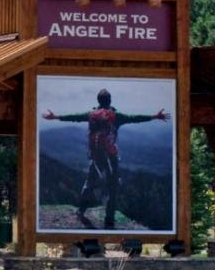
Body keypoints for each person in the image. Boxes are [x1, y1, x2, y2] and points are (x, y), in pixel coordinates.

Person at [42, 88, 169, 229]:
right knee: (112, 187)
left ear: (98, 101)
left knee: (90, 183)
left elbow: (74, 117)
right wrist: (155, 116)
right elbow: (135, 118)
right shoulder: (115, 116)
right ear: (110, 101)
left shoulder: (91, 115)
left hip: (96, 156)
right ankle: (109, 220)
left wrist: (55, 117)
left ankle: (81, 210)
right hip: (111, 156)